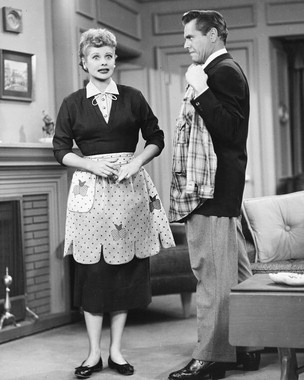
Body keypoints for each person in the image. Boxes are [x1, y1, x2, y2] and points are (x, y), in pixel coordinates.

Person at [53, 28, 174, 379]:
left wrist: (136, 163)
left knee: (123, 271)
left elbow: (156, 137)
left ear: (114, 60)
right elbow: (60, 150)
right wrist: (91, 164)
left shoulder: (133, 97)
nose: (103, 62)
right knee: (93, 272)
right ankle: (93, 354)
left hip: (129, 192)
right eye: (95, 57)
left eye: (108, 56)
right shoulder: (72, 103)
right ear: (83, 62)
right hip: (89, 195)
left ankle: (117, 352)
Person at [168, 10, 260, 380]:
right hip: (223, 188)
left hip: (212, 190)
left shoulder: (221, 72)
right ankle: (248, 347)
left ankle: (210, 358)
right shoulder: (223, 70)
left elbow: (232, 132)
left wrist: (201, 89)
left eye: (191, 37)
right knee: (236, 273)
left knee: (210, 274)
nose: (186, 43)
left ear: (213, 36)